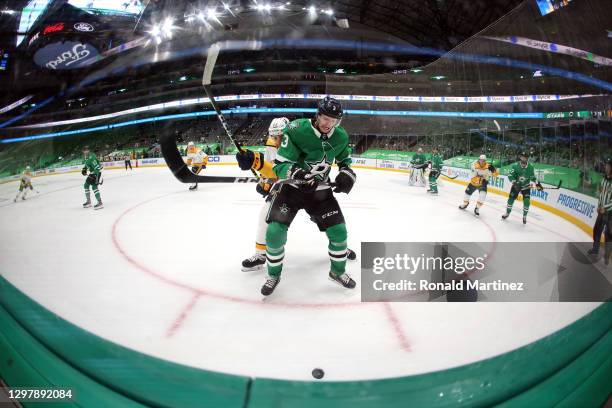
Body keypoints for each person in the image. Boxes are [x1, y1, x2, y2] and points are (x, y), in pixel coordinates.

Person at [239, 97, 356, 296]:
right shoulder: (296, 129)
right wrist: (296, 173)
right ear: (317, 115)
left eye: (333, 120)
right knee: (274, 232)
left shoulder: (341, 136)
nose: (328, 123)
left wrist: (346, 172)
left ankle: (337, 272)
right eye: (325, 118)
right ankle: (273, 275)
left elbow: (345, 158)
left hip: (319, 192)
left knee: (339, 231)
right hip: (292, 190)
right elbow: (280, 163)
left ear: (338, 121)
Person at [501, 151, 543, 224]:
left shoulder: (530, 167)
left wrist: (537, 184)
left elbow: (532, 177)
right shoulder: (515, 166)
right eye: (522, 157)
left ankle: (524, 216)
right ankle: (507, 213)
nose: (523, 159)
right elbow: (510, 175)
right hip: (516, 185)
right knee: (510, 199)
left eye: (525, 157)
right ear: (520, 157)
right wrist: (514, 182)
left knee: (527, 202)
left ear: (527, 158)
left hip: (526, 187)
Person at [588, 157, 612, 263]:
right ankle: (595, 249)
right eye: (606, 165)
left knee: (608, 234)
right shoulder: (603, 179)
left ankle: (607, 255)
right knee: (596, 230)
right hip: (601, 211)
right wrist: (599, 206)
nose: (606, 167)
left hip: (610, 213)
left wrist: (605, 208)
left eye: (608, 165)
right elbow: (601, 194)